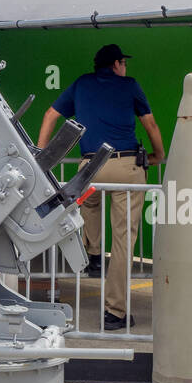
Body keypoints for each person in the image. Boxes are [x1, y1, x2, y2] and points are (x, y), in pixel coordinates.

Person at [37, 43, 165, 331]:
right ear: (117, 64)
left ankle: (93, 251)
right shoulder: (130, 86)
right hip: (126, 164)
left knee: (89, 201)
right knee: (122, 242)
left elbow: (49, 116)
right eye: (124, 63)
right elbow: (151, 125)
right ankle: (115, 312)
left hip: (91, 165)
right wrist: (159, 156)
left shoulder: (82, 84)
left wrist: (41, 157)